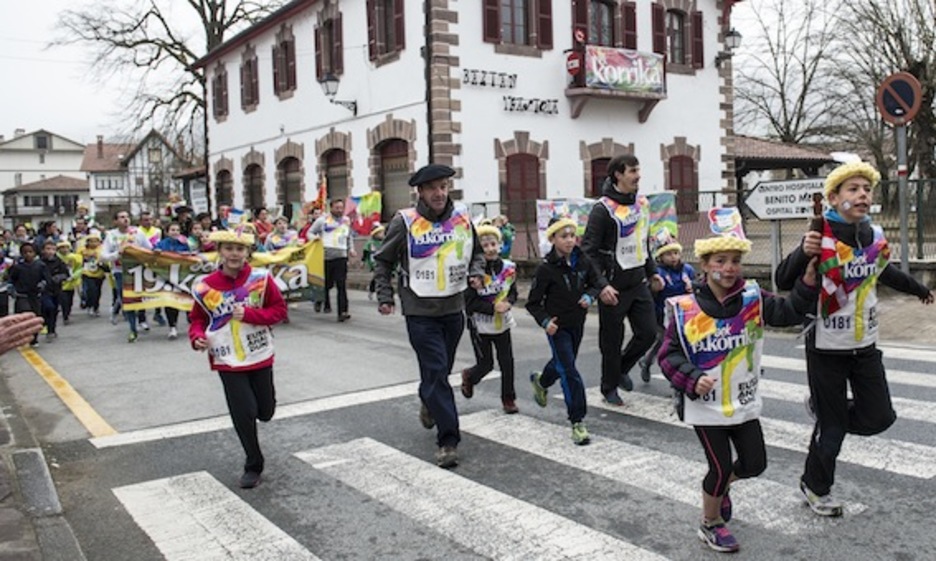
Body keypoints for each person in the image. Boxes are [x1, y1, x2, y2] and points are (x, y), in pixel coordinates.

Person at [774, 162, 934, 517]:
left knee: (880, 418)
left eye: (867, 189)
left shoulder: (872, 234)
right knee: (832, 433)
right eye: (853, 189)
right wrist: (803, 250)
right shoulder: (821, 234)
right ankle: (816, 487)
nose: (863, 195)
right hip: (827, 347)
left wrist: (919, 289)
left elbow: (883, 271)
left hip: (865, 344)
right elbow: (782, 279)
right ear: (834, 197)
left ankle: (824, 411)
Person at [657, 207, 818, 552]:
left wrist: (806, 283)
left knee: (755, 464)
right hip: (705, 408)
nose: (728, 268)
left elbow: (790, 313)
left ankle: (721, 489)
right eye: (720, 261)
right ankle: (710, 522)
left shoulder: (752, 299)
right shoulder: (686, 308)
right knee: (718, 468)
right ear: (704, 265)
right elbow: (667, 355)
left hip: (742, 402)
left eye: (734, 260)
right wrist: (692, 377)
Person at [374, 163, 485, 468]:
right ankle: (448, 440)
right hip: (420, 312)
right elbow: (382, 261)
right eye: (433, 188)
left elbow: (476, 253)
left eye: (443, 187)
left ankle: (428, 401)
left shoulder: (462, 218)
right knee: (436, 371)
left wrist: (476, 274)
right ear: (420, 192)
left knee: (439, 372)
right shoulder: (405, 222)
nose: (439, 193)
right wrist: (385, 296)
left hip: (452, 309)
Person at [189, 226, 288, 489]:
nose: (234, 254)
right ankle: (253, 463)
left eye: (240, 249)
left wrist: (251, 315)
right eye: (229, 248)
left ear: (247, 252)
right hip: (227, 359)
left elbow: (279, 310)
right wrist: (196, 337)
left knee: (264, 412)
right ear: (220, 251)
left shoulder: (260, 279)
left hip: (259, 354)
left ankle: (259, 418)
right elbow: (197, 320)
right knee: (243, 412)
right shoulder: (205, 287)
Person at [581, 154, 663, 406]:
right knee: (611, 341)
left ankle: (621, 370)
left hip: (638, 281)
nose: (638, 175)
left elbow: (642, 242)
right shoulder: (602, 209)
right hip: (613, 287)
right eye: (632, 171)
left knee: (648, 333)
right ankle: (608, 387)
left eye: (638, 170)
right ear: (618, 174)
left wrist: (653, 272)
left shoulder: (642, 204)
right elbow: (587, 251)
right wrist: (601, 285)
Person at [526, 217, 605, 445]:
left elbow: (597, 282)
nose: (570, 240)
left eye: (572, 235)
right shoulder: (546, 269)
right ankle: (577, 421)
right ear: (553, 239)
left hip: (577, 324)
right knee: (569, 370)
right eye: (564, 236)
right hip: (557, 327)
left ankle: (541, 383)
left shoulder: (583, 260)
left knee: (562, 363)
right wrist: (545, 322)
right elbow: (533, 303)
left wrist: (590, 296)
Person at [461, 223, 519, 414]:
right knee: (486, 364)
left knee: (507, 362)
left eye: (493, 244)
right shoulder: (473, 273)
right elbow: (469, 304)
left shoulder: (508, 268)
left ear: (499, 245)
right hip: (480, 325)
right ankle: (470, 376)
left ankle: (508, 399)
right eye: (485, 246)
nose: (490, 249)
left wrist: (509, 302)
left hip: (502, 324)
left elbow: (513, 292)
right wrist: (493, 307)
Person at [637, 235, 695, 382]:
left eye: (676, 253)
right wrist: (655, 289)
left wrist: (693, 287)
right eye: (668, 254)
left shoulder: (687, 270)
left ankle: (649, 361)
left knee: (679, 344)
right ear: (660, 256)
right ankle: (653, 363)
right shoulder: (658, 272)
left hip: (684, 314)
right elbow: (648, 293)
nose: (673, 257)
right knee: (665, 342)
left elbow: (697, 286)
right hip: (662, 315)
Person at [101, 210, 152, 342]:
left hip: (138, 270)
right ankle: (132, 329)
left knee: (139, 298)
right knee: (126, 299)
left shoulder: (137, 233)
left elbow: (149, 248)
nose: (125, 219)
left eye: (127, 216)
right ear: (115, 221)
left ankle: (142, 319)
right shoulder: (111, 236)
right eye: (122, 217)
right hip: (120, 272)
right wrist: (117, 254)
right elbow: (103, 256)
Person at [310, 199, 355, 321]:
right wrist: (315, 239)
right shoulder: (322, 220)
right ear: (331, 208)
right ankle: (320, 299)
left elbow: (348, 236)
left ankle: (343, 311)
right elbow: (310, 233)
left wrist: (351, 249)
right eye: (337, 208)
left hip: (341, 256)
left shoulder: (346, 221)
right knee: (327, 284)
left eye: (341, 208)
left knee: (341, 284)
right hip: (325, 257)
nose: (340, 210)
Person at [154, 222, 194, 340]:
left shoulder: (185, 243)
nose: (175, 232)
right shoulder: (161, 244)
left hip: (183, 277)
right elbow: (152, 255)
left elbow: (192, 255)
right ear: (167, 232)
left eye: (177, 230)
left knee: (188, 301)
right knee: (170, 303)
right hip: (167, 278)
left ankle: (192, 325)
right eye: (172, 230)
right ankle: (172, 327)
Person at [9, 242, 50, 347]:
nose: (28, 254)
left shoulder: (40, 265)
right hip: (22, 295)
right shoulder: (18, 267)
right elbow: (11, 280)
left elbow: (46, 278)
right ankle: (22, 336)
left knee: (35, 317)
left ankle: (34, 338)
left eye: (30, 252)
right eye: (25, 252)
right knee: (24, 315)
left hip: (35, 296)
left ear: (35, 253)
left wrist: (42, 284)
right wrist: (13, 290)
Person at [39, 241, 69, 341]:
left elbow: (66, 274)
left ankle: (51, 330)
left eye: (53, 249)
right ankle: (46, 324)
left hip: (56, 290)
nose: (50, 251)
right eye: (48, 249)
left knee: (54, 309)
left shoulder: (59, 262)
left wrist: (59, 277)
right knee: (48, 307)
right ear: (43, 250)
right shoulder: (39, 262)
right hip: (44, 291)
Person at [55, 240, 83, 326]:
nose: (64, 249)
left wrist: (74, 276)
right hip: (60, 283)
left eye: (66, 247)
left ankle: (67, 312)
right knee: (63, 300)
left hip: (71, 282)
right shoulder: (56, 258)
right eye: (62, 247)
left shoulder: (75, 257)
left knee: (69, 300)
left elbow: (79, 268)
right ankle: (65, 316)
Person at [79, 233, 106, 317]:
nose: (94, 243)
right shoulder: (82, 250)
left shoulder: (102, 250)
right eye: (91, 241)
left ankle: (96, 307)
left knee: (97, 292)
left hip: (99, 273)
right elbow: (77, 259)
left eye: (96, 241)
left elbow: (106, 260)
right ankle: (89, 305)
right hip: (87, 273)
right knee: (90, 290)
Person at [361, 223, 385, 300]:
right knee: (377, 277)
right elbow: (365, 252)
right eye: (380, 233)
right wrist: (363, 261)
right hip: (374, 262)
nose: (382, 234)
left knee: (383, 278)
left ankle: (381, 292)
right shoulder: (370, 243)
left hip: (383, 262)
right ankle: (372, 290)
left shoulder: (384, 242)